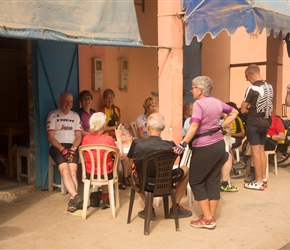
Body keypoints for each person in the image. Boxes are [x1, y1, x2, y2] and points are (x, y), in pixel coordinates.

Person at [175, 76, 238, 229]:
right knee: (213, 180)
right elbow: (234, 112)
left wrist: (183, 143)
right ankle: (210, 216)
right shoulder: (217, 102)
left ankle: (208, 218)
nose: (191, 90)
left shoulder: (199, 104)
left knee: (196, 181)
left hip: (204, 147)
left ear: (200, 90)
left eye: (193, 87)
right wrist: (221, 126)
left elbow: (194, 126)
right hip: (218, 145)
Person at [127, 113, 192, 219]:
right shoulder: (170, 145)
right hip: (166, 182)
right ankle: (175, 206)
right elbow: (181, 155)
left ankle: (149, 208)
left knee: (134, 173)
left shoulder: (137, 143)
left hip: (144, 183)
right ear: (163, 128)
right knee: (186, 169)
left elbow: (130, 161)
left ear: (148, 126)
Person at [47, 92, 83, 213]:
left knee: (73, 172)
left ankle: (73, 199)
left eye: (71, 102)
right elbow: (51, 137)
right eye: (66, 101)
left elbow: (79, 136)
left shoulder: (76, 116)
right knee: (65, 170)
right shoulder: (52, 115)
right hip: (57, 146)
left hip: (72, 146)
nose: (69, 104)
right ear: (60, 101)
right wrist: (63, 150)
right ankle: (76, 196)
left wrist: (73, 149)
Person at [240, 65, 273, 190]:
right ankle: (264, 178)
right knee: (262, 150)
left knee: (255, 153)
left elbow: (243, 109)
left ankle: (258, 182)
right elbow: (270, 108)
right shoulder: (269, 87)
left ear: (251, 74)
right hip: (265, 123)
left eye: (247, 77)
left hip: (254, 123)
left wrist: (249, 108)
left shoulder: (252, 88)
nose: (247, 80)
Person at [81, 112, 124, 207]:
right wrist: (119, 137)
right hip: (106, 175)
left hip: (89, 174)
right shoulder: (108, 140)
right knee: (107, 166)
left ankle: (103, 197)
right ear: (104, 126)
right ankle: (104, 197)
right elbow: (120, 156)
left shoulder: (85, 139)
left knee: (101, 165)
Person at [233, 112, 285, 183]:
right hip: (258, 140)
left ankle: (246, 161)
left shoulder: (276, 119)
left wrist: (270, 136)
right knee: (254, 142)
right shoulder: (256, 120)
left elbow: (282, 136)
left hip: (270, 142)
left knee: (255, 143)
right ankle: (251, 172)